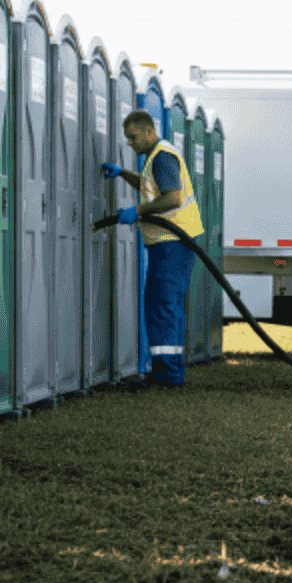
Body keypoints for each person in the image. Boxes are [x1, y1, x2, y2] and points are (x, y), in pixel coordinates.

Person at [101, 110, 204, 390]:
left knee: (161, 306)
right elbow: (152, 187)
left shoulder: (162, 157)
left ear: (149, 131)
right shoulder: (156, 157)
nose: (130, 143)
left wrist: (138, 210)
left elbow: (172, 197)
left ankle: (165, 375)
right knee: (168, 306)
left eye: (133, 137)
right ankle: (171, 372)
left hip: (171, 244)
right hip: (172, 245)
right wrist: (123, 174)